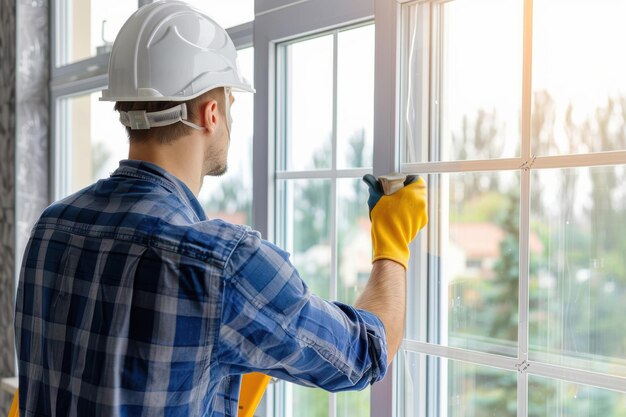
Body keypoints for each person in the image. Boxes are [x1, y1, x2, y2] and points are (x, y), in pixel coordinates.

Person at [13, 1, 428, 416]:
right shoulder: (221, 264)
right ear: (211, 113)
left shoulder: (52, 228)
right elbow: (365, 353)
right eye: (229, 102)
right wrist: (391, 242)